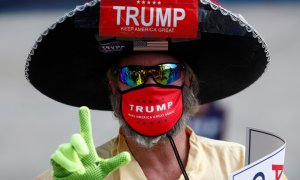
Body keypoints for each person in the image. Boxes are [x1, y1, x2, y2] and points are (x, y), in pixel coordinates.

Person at [25, 0, 284, 179]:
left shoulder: (244, 167)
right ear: (113, 85)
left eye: (166, 73)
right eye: (133, 75)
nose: (150, 85)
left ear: (188, 82)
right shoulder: (77, 174)